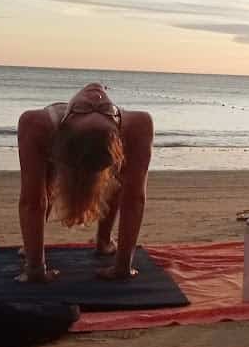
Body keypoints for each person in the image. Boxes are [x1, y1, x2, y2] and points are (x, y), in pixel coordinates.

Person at [15, 83, 154, 283]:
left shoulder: (134, 125)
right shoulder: (39, 125)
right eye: (89, 109)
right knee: (46, 181)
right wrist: (35, 266)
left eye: (105, 111)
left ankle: (103, 241)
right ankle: (101, 243)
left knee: (120, 176)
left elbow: (134, 199)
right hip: (55, 150)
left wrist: (123, 266)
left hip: (101, 150)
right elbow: (33, 201)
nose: (96, 98)